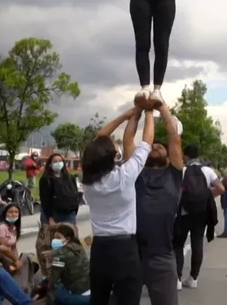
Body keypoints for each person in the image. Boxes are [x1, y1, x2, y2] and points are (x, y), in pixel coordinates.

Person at [81, 107, 152, 305]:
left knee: (99, 299)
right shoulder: (125, 176)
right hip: (124, 249)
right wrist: (148, 111)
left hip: (100, 249)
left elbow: (98, 140)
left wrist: (129, 115)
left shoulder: (88, 184)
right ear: (112, 158)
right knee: (128, 299)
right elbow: (146, 141)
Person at [135, 102, 185, 304]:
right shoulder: (135, 173)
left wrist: (161, 107)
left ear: (168, 158)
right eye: (152, 145)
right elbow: (130, 140)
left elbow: (174, 138)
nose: (156, 145)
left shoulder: (174, 175)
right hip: (133, 254)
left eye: (160, 145)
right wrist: (144, 110)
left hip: (162, 256)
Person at [174, 143, 225, 289]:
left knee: (178, 244)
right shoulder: (208, 170)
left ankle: (177, 279)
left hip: (183, 213)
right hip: (201, 213)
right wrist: (207, 197)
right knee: (197, 244)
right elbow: (221, 188)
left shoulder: (181, 170)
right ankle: (193, 278)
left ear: (186, 156)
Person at [37, 152, 80, 279]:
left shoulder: (70, 178)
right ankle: (50, 275)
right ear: (50, 164)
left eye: (60, 160)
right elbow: (45, 200)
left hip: (69, 215)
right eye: (54, 161)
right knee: (50, 245)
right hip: (52, 215)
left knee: (70, 244)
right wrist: (50, 217)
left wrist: (74, 211)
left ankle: (69, 272)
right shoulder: (46, 180)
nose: (58, 163)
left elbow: (76, 195)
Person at [49, 223, 91, 305]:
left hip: (79, 298)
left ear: (67, 238)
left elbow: (53, 282)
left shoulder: (60, 254)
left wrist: (49, 301)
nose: (54, 240)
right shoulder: (78, 247)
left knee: (56, 293)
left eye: (58, 238)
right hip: (90, 291)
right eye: (54, 238)